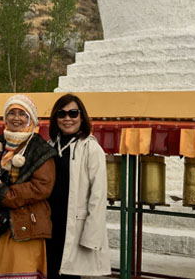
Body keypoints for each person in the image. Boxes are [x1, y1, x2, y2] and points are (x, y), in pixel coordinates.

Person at [0, 95, 57, 279]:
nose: (16, 118)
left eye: (22, 114)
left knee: (20, 270)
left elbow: (42, 187)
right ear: (5, 117)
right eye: (12, 113)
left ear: (31, 119)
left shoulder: (39, 148)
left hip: (23, 221)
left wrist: (6, 193)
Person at [46, 94, 110, 278]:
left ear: (82, 117)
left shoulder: (91, 148)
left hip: (73, 225)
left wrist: (92, 234)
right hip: (49, 224)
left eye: (73, 113)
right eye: (62, 114)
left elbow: (98, 195)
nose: (68, 119)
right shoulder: (50, 146)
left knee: (68, 273)